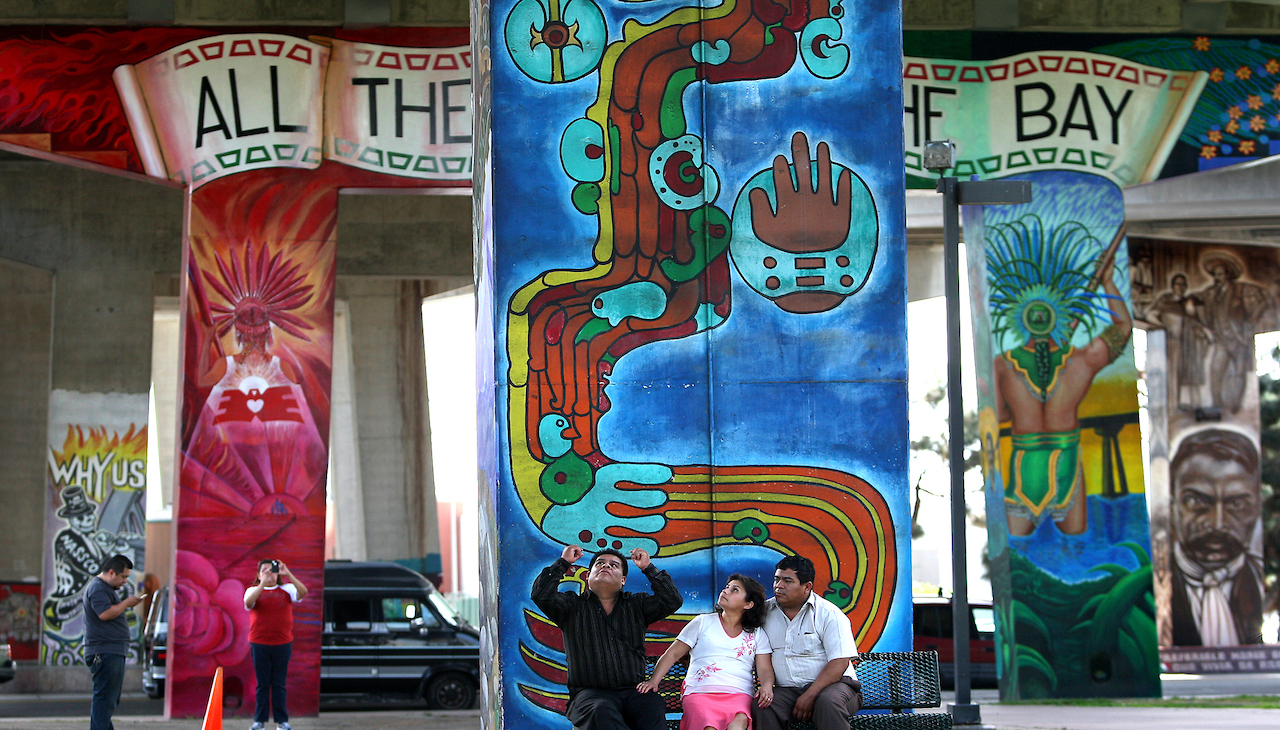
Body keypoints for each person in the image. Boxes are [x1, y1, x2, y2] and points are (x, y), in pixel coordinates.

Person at [988, 223, 1131, 536]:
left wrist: (1023, 406)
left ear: (1022, 319)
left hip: (1024, 464)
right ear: (1057, 320)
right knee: (1075, 544)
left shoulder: (1002, 365)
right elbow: (1123, 326)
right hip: (1067, 460)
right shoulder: (1080, 360)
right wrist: (1107, 282)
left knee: (1021, 549)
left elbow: (998, 415)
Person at [531, 545, 683, 730]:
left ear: (623, 580)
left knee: (652, 705)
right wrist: (563, 563)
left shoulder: (636, 605)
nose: (606, 566)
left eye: (614, 565)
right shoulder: (571, 606)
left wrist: (648, 568)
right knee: (601, 709)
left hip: (633, 692)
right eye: (600, 564)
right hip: (589, 695)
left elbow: (672, 600)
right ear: (588, 577)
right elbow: (541, 595)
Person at [638, 575, 775, 730]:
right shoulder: (702, 622)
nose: (725, 591)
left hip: (739, 694)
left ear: (748, 604)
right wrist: (653, 681)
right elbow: (672, 654)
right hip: (700, 692)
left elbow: (764, 668)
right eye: (727, 586)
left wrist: (767, 686)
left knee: (739, 723)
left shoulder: (757, 634)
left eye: (734, 589)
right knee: (708, 726)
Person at [1169, 429, 1264, 646]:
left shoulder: (1258, 577)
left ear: (1257, 507)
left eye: (1237, 504)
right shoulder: (1151, 590)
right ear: (1172, 505)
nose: (1218, 523)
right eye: (1196, 502)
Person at [754, 556, 860, 730]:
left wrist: (810, 695)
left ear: (807, 587)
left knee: (827, 702)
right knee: (763, 706)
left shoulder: (829, 614)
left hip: (836, 687)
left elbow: (840, 662)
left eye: (787, 581)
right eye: (776, 579)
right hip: (787, 691)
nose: (778, 586)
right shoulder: (764, 613)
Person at [244, 559, 308, 730]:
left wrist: (288, 574)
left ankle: (282, 722)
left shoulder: (286, 589)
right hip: (259, 643)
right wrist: (262, 584)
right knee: (262, 684)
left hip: (282, 643)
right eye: (264, 571)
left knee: (279, 684)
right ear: (258, 574)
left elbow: (303, 592)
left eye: (271, 570)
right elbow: (249, 603)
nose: (268, 574)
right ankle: (259, 721)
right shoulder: (252, 590)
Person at [83, 554, 142, 730]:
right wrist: (127, 603)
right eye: (123, 577)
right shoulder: (98, 588)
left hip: (111, 651)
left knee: (109, 699)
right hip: (105, 652)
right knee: (104, 699)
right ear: (111, 572)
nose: (125, 581)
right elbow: (105, 613)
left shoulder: (104, 589)